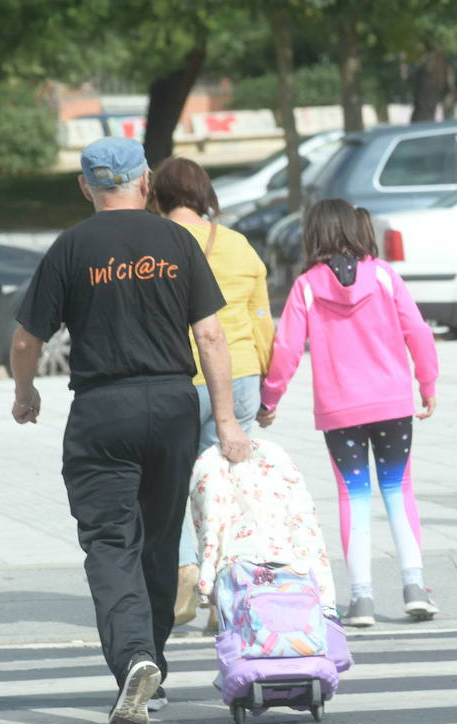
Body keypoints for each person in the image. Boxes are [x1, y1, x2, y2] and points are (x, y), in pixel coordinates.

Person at [10, 137, 251, 724]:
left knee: (111, 541)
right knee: (162, 538)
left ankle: (135, 661)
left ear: (85, 186)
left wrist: (25, 393)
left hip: (102, 408)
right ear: (145, 181)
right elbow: (213, 338)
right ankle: (155, 667)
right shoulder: (177, 241)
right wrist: (224, 420)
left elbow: (24, 341)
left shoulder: (70, 247)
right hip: (172, 404)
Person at [257, 198, 440, 628]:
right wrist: (427, 383)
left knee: (352, 496)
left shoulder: (306, 285)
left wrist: (270, 398)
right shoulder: (384, 276)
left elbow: (286, 349)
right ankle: (414, 587)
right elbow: (418, 330)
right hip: (392, 402)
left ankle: (361, 600)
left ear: (314, 233)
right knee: (399, 489)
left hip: (339, 410)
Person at [148, 157, 274, 637]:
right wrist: (269, 386)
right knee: (223, 489)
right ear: (205, 195)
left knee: (171, 483)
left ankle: (184, 570)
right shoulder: (240, 246)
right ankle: (225, 593)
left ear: (157, 195)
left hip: (175, 377)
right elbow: (261, 320)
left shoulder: (154, 245)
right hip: (238, 376)